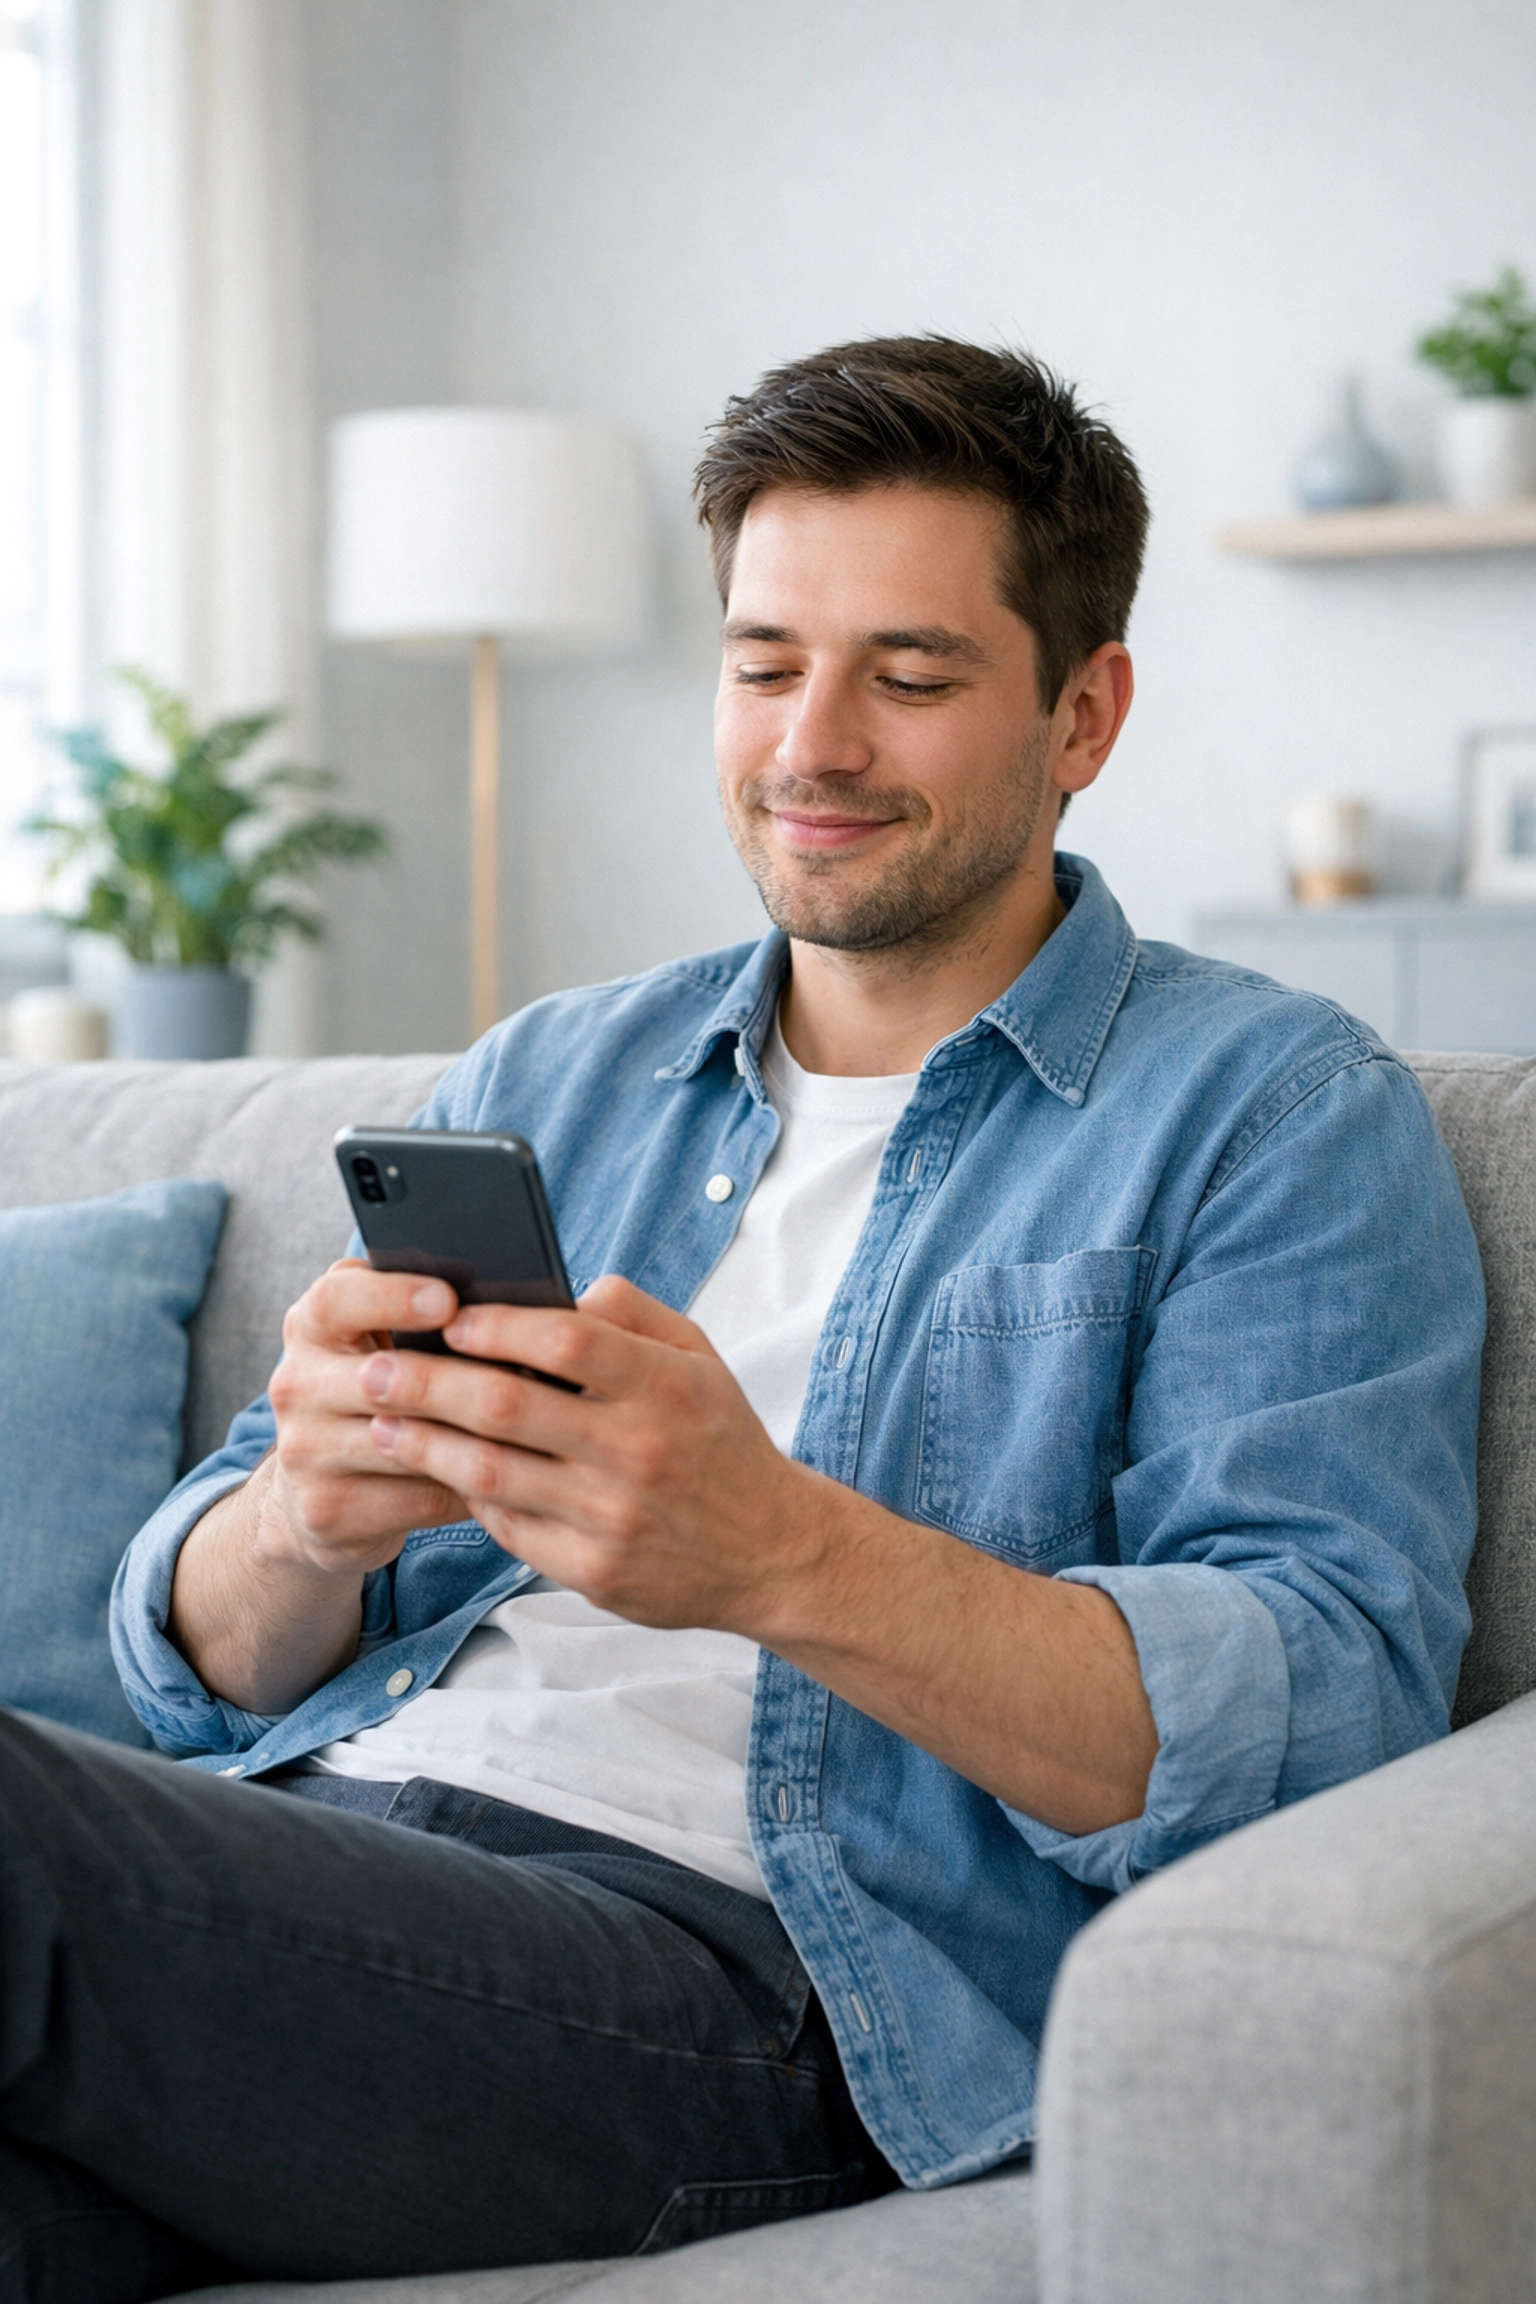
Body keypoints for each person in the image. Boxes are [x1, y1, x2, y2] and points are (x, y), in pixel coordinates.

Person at [0, 337, 1482, 2297]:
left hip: (743, 1986)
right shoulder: (552, 1071)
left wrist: (781, 1552)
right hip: (318, 1860)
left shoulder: (1271, 1114)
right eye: (766, 664)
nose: (814, 746)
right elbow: (197, 1662)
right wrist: (306, 1523)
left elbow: (1322, 1706)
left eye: (911, 676)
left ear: (1084, 713)